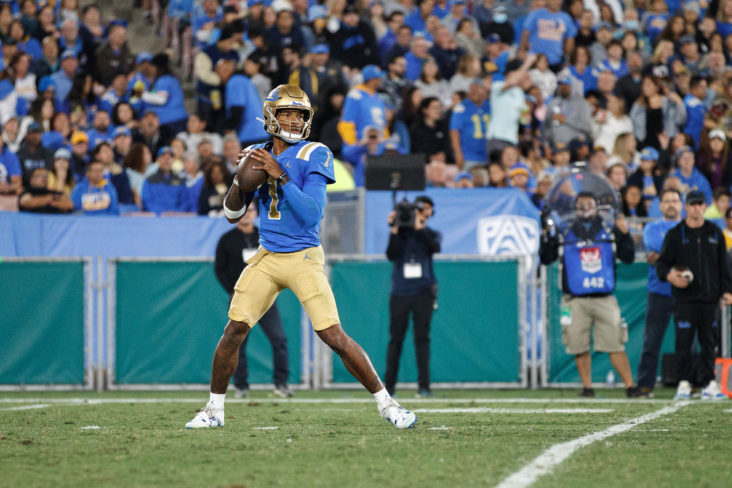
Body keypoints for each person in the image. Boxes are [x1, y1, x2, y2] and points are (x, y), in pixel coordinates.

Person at [186, 84, 416, 430]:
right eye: (287, 114)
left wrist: (280, 174)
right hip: (268, 255)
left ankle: (388, 405)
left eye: (299, 115)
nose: (294, 121)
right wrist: (240, 179)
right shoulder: (260, 153)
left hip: (303, 255)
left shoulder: (316, 152)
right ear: (271, 116)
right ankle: (213, 410)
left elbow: (311, 215)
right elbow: (232, 215)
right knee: (233, 330)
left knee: (333, 336)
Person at [539, 192, 642, 397]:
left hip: (604, 297)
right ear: (574, 209)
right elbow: (546, 257)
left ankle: (630, 386)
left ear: (597, 208)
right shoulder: (563, 232)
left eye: (589, 204)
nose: (585, 208)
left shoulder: (609, 230)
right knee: (578, 344)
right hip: (574, 298)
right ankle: (587, 387)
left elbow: (628, 257)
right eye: (581, 205)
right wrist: (545, 234)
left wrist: (624, 234)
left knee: (615, 342)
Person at [656, 190, 732, 401]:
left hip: (709, 299)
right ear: (686, 207)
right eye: (693, 204)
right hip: (685, 299)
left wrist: (727, 290)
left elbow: (723, 266)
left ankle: (709, 383)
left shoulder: (715, 232)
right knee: (684, 342)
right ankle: (684, 383)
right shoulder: (675, 234)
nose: (696, 208)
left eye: (700, 204)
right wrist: (671, 276)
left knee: (709, 343)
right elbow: (661, 265)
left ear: (705, 207)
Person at [214, 202, 292, 398]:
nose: (247, 214)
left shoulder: (265, 236)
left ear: (257, 213)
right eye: (244, 211)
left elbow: (277, 262)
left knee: (280, 339)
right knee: (237, 343)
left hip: (266, 297)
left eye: (251, 210)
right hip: (240, 299)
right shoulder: (226, 240)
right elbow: (219, 269)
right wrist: (231, 291)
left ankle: (281, 384)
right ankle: (241, 386)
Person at [384, 196, 440, 397]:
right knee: (395, 339)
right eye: (420, 209)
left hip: (423, 292)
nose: (422, 213)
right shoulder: (401, 233)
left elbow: (434, 247)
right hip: (400, 292)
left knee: (422, 339)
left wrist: (419, 227)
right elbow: (391, 254)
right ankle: (389, 389)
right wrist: (395, 227)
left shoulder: (430, 233)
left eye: (426, 210)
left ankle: (424, 387)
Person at [635, 189, 683, 397]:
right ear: (660, 205)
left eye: (675, 200)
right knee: (651, 341)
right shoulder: (652, 228)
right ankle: (645, 385)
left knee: (689, 341)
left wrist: (664, 257)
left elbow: (660, 255)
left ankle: (690, 383)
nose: (671, 204)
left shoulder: (689, 227)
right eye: (667, 201)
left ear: (681, 205)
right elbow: (654, 250)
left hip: (686, 293)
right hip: (659, 291)